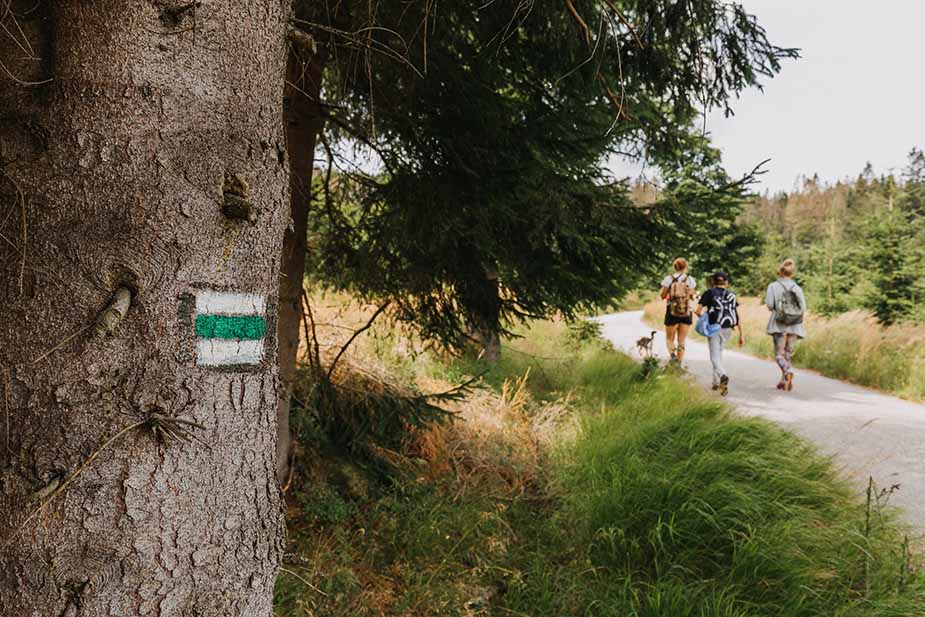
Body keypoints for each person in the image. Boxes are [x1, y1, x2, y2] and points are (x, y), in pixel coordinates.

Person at [695, 271, 744, 395]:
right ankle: (715, 382)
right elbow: (736, 315)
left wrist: (704, 320)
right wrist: (741, 334)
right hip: (728, 329)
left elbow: (697, 310)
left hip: (714, 328)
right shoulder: (731, 294)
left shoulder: (709, 293)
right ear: (726, 282)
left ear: (713, 282)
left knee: (714, 357)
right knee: (719, 355)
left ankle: (723, 375)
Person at [765, 258, 806, 391]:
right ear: (792, 274)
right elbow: (803, 307)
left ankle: (787, 373)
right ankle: (784, 381)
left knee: (779, 354)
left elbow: (770, 306)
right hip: (794, 324)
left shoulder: (773, 286)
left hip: (779, 323)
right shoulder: (797, 288)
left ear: (780, 272)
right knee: (787, 353)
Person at [659, 257, 697, 363]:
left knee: (669, 339)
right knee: (681, 341)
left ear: (674, 267)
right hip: (686, 311)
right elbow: (692, 295)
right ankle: (678, 365)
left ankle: (673, 356)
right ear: (685, 266)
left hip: (672, 311)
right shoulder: (690, 279)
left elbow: (662, 295)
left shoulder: (668, 279)